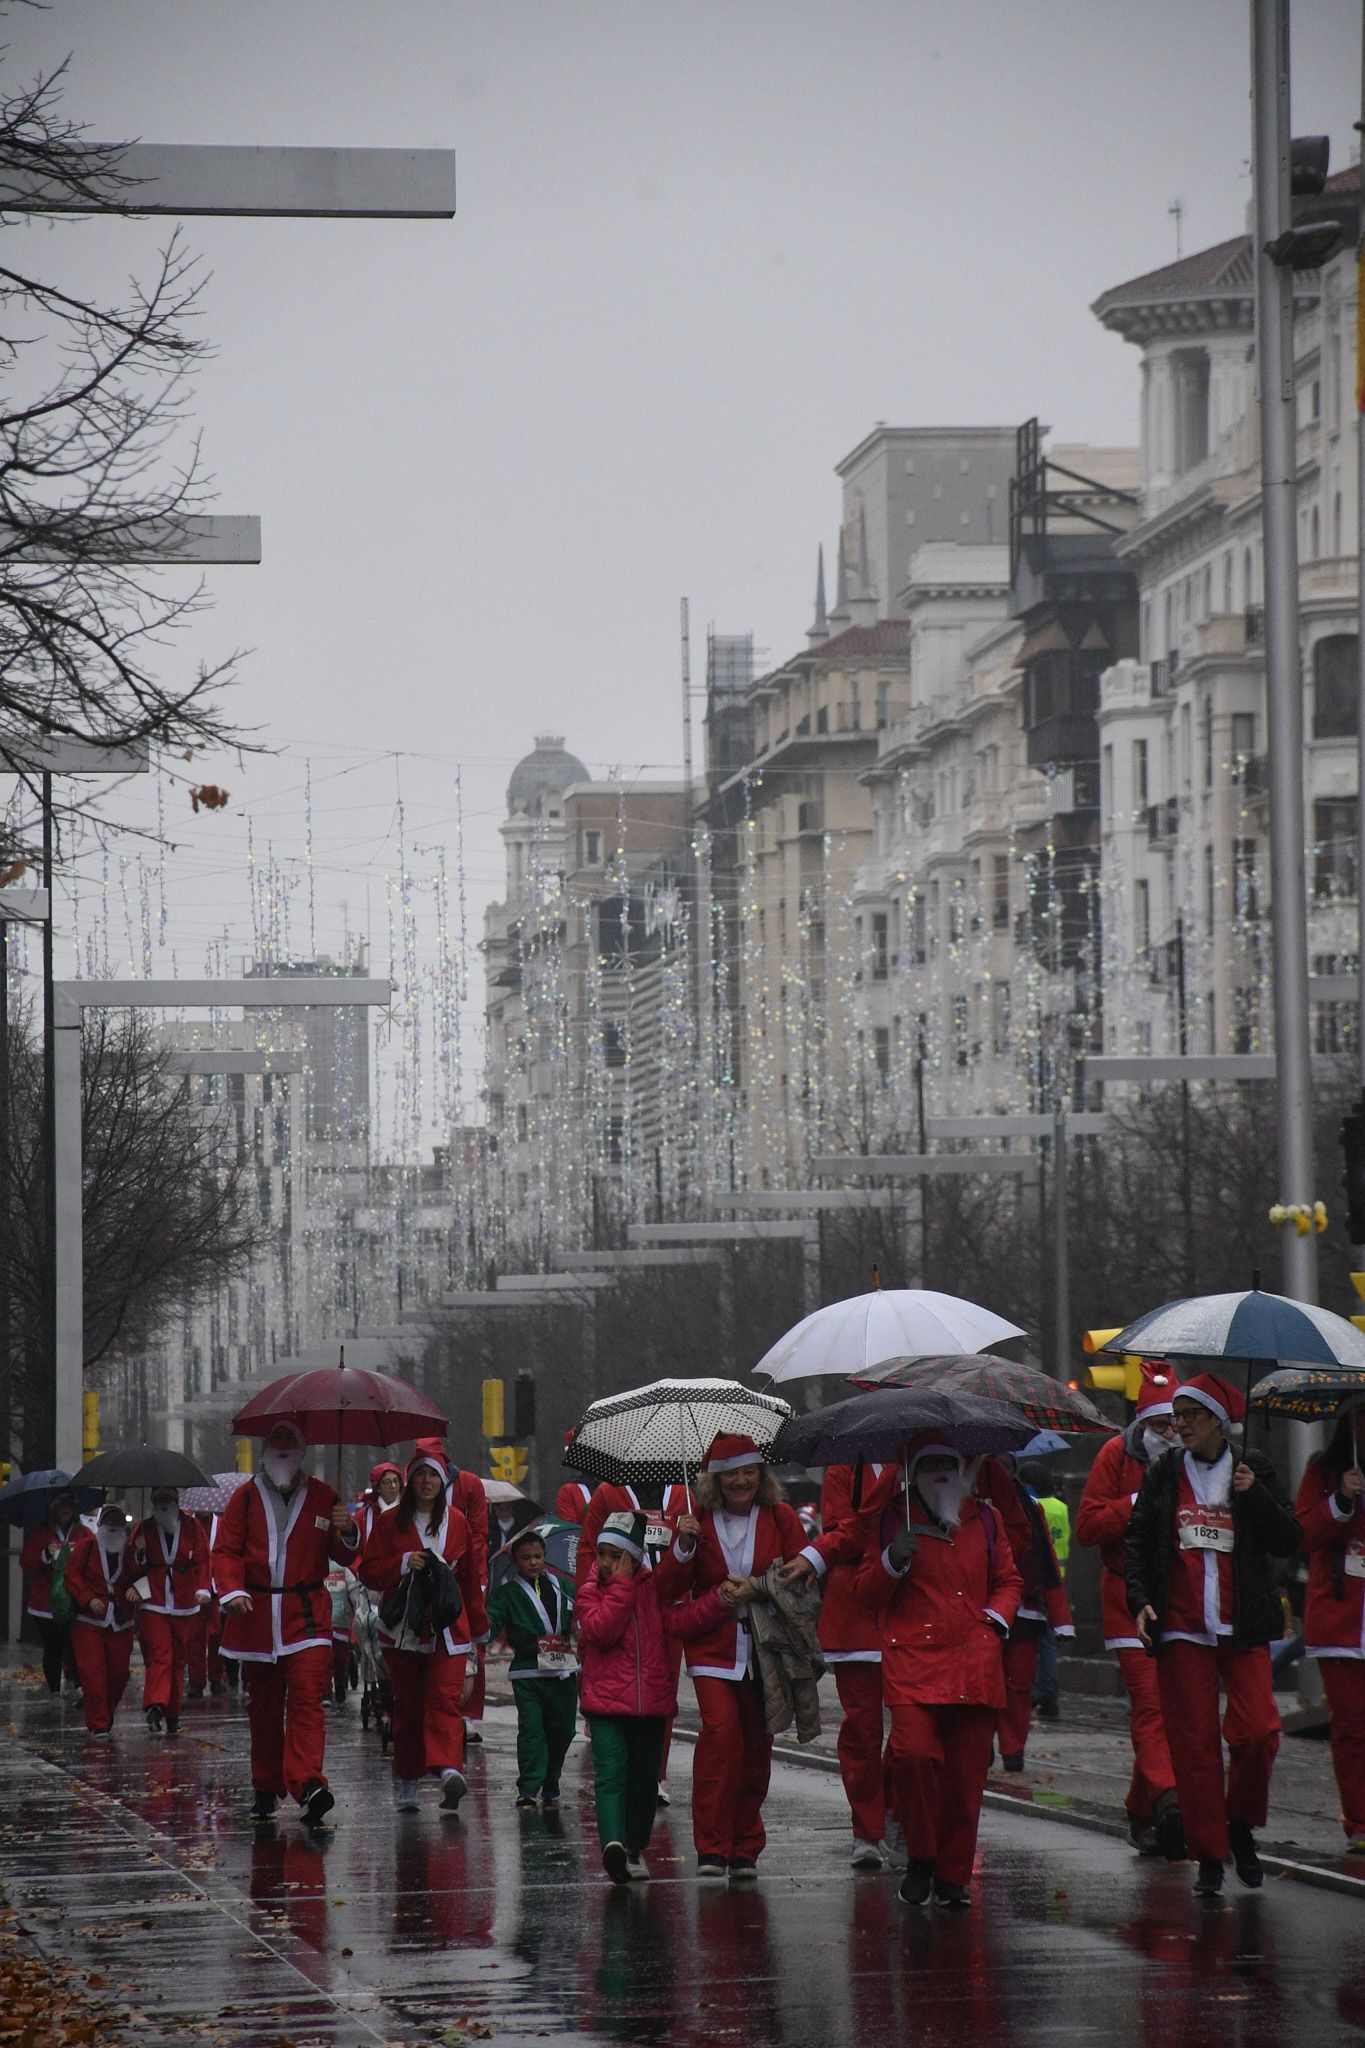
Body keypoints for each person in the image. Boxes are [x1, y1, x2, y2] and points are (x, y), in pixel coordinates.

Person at [1126, 1372, 1299, 1897]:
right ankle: (1208, 1852)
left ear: (1217, 1422)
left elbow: (1289, 1538)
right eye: (1175, 1417)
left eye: (1190, 1417)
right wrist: (1141, 1601)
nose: (1179, 1426)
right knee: (1194, 1746)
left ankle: (1240, 1825)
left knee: (1259, 1732)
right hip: (1182, 1629)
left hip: (1242, 1626)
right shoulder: (1162, 1475)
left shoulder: (1253, 1468)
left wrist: (1255, 1497)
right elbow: (1137, 1541)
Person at [853, 1437, 1023, 1910]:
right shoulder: (893, 1519)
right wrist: (891, 1561)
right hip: (913, 1662)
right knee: (911, 1755)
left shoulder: (985, 1518)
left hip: (976, 1661)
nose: (942, 1472)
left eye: (951, 1462)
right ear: (914, 1469)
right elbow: (866, 1592)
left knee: (966, 1780)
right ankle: (922, 1855)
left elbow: (1009, 1579)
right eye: (930, 1464)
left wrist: (996, 1619)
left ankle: (952, 1876)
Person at [654, 1433, 815, 1881]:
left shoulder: (781, 1516)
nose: (741, 1480)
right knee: (721, 1737)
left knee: (756, 1747)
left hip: (766, 1650)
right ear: (716, 1479)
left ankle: (745, 1845)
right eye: (731, 1473)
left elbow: (803, 1577)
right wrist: (682, 1547)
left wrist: (759, 1586)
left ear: (760, 1474)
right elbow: (666, 1590)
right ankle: (710, 1846)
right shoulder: (696, 1519)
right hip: (713, 1647)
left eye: (749, 1471)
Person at [213, 1420, 361, 1827]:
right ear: (265, 1450)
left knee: (308, 1700)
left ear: (301, 1451)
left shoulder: (324, 1497)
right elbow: (225, 1551)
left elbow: (346, 1556)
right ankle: (266, 1785)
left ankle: (309, 1783)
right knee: (262, 1705)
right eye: (274, 1442)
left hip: (307, 1617)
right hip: (256, 1615)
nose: (281, 1449)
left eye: (289, 1443)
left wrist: (347, 1531)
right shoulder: (243, 1499)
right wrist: (232, 1591)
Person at [576, 1509, 732, 1883]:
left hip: (650, 1708)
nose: (609, 1563)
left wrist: (718, 1601)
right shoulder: (589, 1592)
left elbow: (681, 1621)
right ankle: (613, 1844)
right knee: (611, 1775)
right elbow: (602, 1629)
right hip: (607, 1705)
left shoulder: (652, 1590)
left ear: (635, 1556)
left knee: (644, 1781)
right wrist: (621, 1586)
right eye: (604, 1554)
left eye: (618, 1556)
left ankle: (633, 1848)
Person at [1075, 1368, 1185, 1857]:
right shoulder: (1115, 1456)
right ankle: (1168, 1798)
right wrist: (1135, 1503)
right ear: (1142, 1424)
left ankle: (1143, 1808)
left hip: (1178, 1599)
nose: (1168, 1434)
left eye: (1176, 1424)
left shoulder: (1195, 1461)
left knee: (1170, 1704)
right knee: (1151, 1703)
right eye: (1159, 1425)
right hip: (1125, 1598)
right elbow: (1089, 1526)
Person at [781, 1458, 903, 1869]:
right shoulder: (842, 1470)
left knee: (912, 1732)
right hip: (854, 1611)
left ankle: (897, 1810)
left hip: (912, 1605)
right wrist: (816, 1557)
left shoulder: (927, 1458)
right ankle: (868, 1830)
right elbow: (844, 1531)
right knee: (863, 1729)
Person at [358, 1443, 487, 1814]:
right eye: (420, 1474)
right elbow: (369, 1571)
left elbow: (468, 1580)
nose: (426, 1481)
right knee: (410, 1707)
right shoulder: (389, 1522)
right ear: (409, 1480)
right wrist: (402, 1563)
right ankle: (409, 1780)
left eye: (433, 1475)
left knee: (444, 1699)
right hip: (403, 1632)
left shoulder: (459, 1522)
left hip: (449, 1629)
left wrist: (478, 1629)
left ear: (443, 1481)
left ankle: (449, 1770)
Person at [1295, 1393, 1365, 1850]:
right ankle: (1359, 1821)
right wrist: (1341, 1498)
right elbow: (1304, 1533)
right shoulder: (1323, 1470)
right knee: (1352, 1726)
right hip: (1341, 1623)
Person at [982, 1458, 1073, 1772]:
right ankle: (983, 1746)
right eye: (996, 1465)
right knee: (987, 1684)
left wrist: (1061, 1619)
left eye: (1007, 1465)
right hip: (986, 1610)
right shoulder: (972, 1506)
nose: (1002, 1472)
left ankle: (1013, 1750)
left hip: (1026, 1611)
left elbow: (1047, 1561)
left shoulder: (1032, 1508)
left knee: (1018, 1686)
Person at [484, 1525, 578, 1810]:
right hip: (528, 1671)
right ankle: (528, 1786)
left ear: (545, 1555)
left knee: (564, 1730)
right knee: (532, 1729)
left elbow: (584, 1614)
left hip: (563, 1670)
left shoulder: (566, 1587)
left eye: (538, 1555)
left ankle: (551, 1780)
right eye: (527, 1558)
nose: (534, 1562)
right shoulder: (507, 1594)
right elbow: (488, 1626)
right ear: (516, 1561)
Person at [124, 1487, 212, 1735]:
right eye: (159, 1501)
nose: (164, 1505)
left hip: (185, 1600)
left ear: (176, 1502)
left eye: (168, 1500)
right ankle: (155, 1703)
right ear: (153, 1503)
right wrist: (139, 1552)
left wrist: (204, 1588)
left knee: (178, 1660)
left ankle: (172, 1714)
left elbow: (204, 1560)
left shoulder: (193, 1527)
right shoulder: (144, 1529)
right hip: (154, 1598)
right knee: (161, 1653)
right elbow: (131, 1565)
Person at [64, 1506, 137, 1734]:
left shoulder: (132, 1551)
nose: (113, 1527)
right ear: (101, 1525)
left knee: (118, 1673)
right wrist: (88, 1598)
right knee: (93, 1674)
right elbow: (71, 1576)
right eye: (109, 1522)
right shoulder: (86, 1548)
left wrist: (137, 1586)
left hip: (121, 1621)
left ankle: (106, 1712)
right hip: (90, 1622)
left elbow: (143, 1575)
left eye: (118, 1522)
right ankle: (98, 1724)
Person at [20, 1487, 82, 1695]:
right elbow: (26, 1562)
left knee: (75, 1645)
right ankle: (55, 1690)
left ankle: (79, 1687)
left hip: (75, 1600)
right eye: (62, 1504)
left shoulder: (82, 1533)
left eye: (69, 1504)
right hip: (45, 1603)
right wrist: (46, 1554)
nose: (66, 1508)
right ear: (54, 1508)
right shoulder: (41, 1533)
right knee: (53, 1647)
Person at [1031, 1475, 1071, 1719]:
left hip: (1040, 1578)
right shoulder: (1063, 1508)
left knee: (1041, 1640)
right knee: (1048, 1640)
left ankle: (1043, 1690)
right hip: (1059, 1576)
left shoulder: (1035, 1506)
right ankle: (1049, 1692)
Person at [356, 1462, 403, 1544]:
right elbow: (357, 1551)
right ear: (377, 1488)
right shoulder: (363, 1517)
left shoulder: (409, 1511)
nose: (393, 1486)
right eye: (387, 1482)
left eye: (396, 1481)